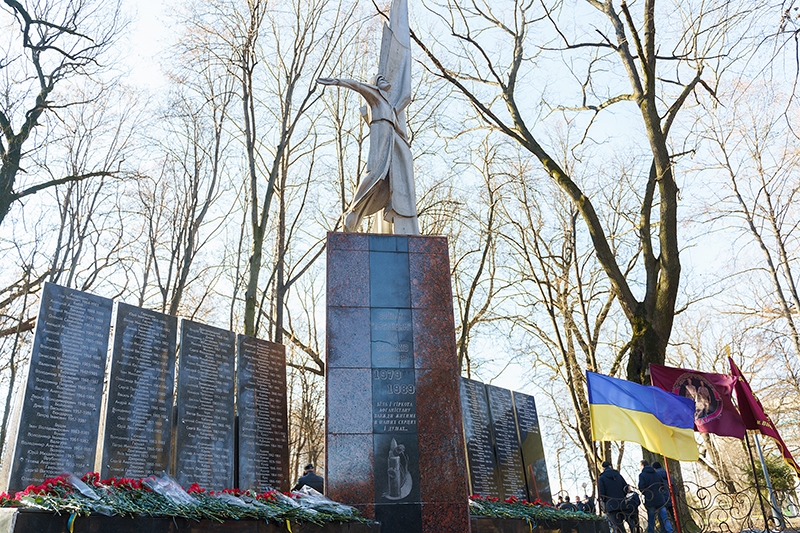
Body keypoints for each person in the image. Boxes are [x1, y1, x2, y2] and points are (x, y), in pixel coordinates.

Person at [638, 461, 673, 533]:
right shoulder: (656, 474)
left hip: (650, 499)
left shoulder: (642, 475)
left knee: (651, 518)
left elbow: (641, 487)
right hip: (660, 499)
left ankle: (651, 531)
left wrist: (646, 493)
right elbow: (662, 485)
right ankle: (670, 530)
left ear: (642, 465)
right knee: (665, 516)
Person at [598, 461, 629, 533]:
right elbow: (626, 487)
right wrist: (622, 496)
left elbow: (602, 492)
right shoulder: (618, 475)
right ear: (610, 466)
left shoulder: (602, 478)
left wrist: (604, 501)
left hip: (611, 504)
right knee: (621, 524)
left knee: (616, 526)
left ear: (603, 468)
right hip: (621, 503)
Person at [652, 461, 675, 529]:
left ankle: (664, 530)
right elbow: (673, 484)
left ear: (654, 468)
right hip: (670, 497)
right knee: (674, 516)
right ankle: (677, 528)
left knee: (662, 518)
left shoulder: (655, 475)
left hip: (661, 499)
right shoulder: (667, 474)